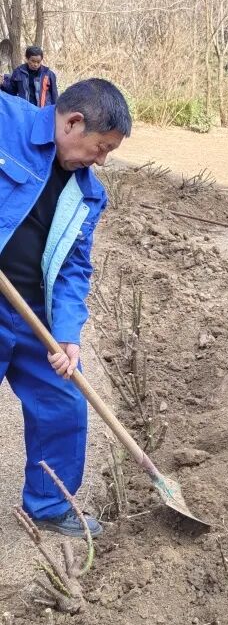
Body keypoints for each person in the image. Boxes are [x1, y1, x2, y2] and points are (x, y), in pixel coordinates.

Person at [0, 78, 131, 538]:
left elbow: (75, 267)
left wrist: (68, 335)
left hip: (33, 309)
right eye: (102, 148)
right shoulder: (6, 121)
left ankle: (50, 504)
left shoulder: (88, 193)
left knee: (64, 400)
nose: (102, 160)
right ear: (73, 123)